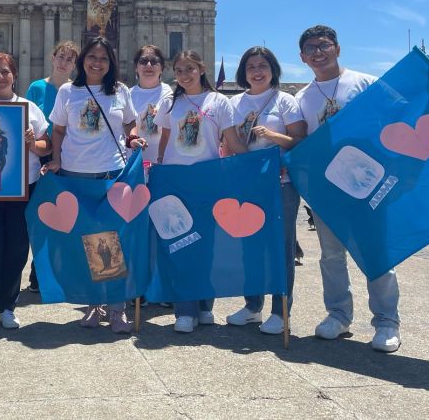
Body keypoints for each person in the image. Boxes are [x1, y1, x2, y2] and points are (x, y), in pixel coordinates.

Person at [294, 24, 429, 353]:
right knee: (331, 255)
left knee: (375, 251)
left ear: (337, 48)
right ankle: (338, 315)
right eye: (311, 48)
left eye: (324, 45)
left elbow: (404, 110)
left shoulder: (365, 83)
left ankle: (386, 321)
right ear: (302, 57)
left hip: (368, 180)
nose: (318, 52)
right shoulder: (301, 98)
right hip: (328, 188)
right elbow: (301, 143)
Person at [45, 36, 146, 334]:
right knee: (85, 242)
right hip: (76, 176)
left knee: (111, 242)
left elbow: (130, 123)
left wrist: (132, 138)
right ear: (83, 60)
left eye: (103, 58)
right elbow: (59, 131)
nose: (97, 62)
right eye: (92, 57)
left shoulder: (120, 91)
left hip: (111, 174)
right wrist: (56, 160)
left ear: (110, 63)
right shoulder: (67, 92)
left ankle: (117, 309)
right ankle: (93, 305)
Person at [154, 50, 247, 333]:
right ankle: (185, 310)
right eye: (179, 70)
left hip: (208, 180)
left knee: (206, 246)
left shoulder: (219, 101)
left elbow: (231, 140)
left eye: (190, 69)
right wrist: (159, 169)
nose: (184, 75)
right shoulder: (169, 103)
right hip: (176, 181)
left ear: (201, 69)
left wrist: (258, 162)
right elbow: (165, 140)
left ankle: (204, 307)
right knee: (181, 243)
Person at [224, 46, 306, 335]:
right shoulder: (235, 103)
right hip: (248, 183)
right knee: (250, 247)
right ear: (243, 73)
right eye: (250, 67)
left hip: (280, 183)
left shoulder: (285, 101)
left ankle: (280, 311)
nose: (257, 71)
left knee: (281, 248)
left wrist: (272, 136)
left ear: (273, 70)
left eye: (262, 66)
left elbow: (299, 140)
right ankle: (252, 306)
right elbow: (230, 143)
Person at [0, 52, 50, 332]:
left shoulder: (29, 107)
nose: (0, 77)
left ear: (14, 76)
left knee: (17, 249)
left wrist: (33, 143)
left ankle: (7, 306)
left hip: (22, 189)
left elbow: (48, 147)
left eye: (5, 71)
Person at [24, 40, 79, 292]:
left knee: (65, 217)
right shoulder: (37, 88)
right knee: (41, 215)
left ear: (74, 64)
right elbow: (27, 120)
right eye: (61, 57)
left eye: (69, 59)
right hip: (41, 155)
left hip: (69, 157)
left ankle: (57, 272)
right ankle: (38, 273)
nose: (64, 62)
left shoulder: (77, 90)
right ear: (53, 57)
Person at [129, 45, 173, 173]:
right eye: (143, 61)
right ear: (136, 67)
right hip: (132, 166)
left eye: (154, 62)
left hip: (161, 166)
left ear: (162, 68)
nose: (149, 65)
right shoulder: (127, 95)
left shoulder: (171, 96)